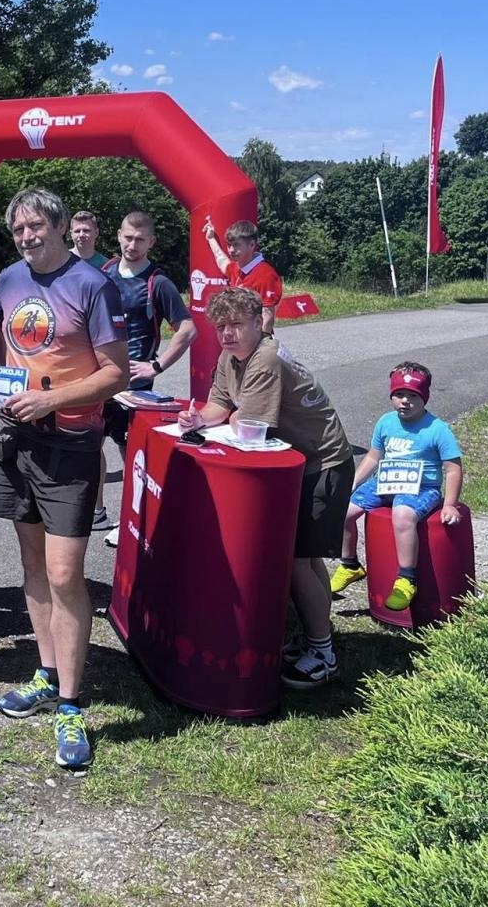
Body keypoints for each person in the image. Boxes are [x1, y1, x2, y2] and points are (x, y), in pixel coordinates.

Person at [0, 187, 128, 772]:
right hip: (16, 438)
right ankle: (46, 674)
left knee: (67, 573)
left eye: (36, 226)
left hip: (69, 440)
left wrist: (54, 400)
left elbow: (116, 371)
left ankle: (71, 705)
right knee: (33, 566)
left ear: (62, 226)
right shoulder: (8, 280)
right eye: (18, 229)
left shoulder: (93, 285)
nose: (26, 236)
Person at [177, 287, 353, 690]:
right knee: (307, 562)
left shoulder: (266, 358)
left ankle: (323, 653)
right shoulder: (230, 357)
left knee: (298, 562)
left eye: (237, 324)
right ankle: (317, 637)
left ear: (260, 323)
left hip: (322, 463)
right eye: (221, 326)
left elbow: (250, 427)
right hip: (303, 462)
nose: (227, 334)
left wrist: (223, 420)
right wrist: (195, 421)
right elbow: (220, 407)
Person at [331, 362, 464, 610]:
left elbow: (453, 468)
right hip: (386, 482)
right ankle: (349, 565)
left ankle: (406, 579)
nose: (405, 401)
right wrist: (353, 482)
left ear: (424, 398)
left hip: (421, 488)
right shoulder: (386, 423)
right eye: (399, 394)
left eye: (413, 396)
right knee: (342, 511)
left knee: (402, 515)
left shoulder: (437, 429)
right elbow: (373, 456)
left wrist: (450, 505)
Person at [99, 211, 195, 543]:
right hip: (97, 380)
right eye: (128, 237)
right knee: (88, 448)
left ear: (151, 241)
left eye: (140, 239)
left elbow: (187, 330)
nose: (132, 244)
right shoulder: (105, 271)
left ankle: (131, 519)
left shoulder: (158, 282)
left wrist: (156, 365)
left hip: (132, 387)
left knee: (131, 457)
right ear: (118, 235)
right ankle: (92, 514)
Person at [203, 219, 282, 333]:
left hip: (254, 338)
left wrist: (259, 345)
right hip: (237, 335)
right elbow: (221, 259)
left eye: (236, 245)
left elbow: (267, 317)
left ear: (252, 245)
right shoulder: (236, 267)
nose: (231, 250)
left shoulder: (266, 275)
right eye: (229, 245)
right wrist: (211, 238)